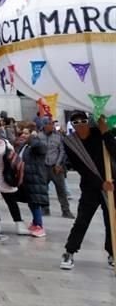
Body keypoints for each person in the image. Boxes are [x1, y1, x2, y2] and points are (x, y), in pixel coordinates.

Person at [59, 111, 115, 270]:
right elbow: (81, 168)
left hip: (110, 184)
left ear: (88, 122)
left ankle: (112, 252)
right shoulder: (71, 142)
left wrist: (106, 133)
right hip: (91, 187)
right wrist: (100, 183)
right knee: (82, 220)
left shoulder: (100, 133)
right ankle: (69, 252)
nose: (81, 125)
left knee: (111, 220)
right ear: (73, 126)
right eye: (76, 123)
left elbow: (114, 152)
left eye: (83, 121)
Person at [16, 125, 47, 237]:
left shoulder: (36, 144)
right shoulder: (25, 146)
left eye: (26, 133)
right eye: (22, 133)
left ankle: (39, 225)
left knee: (35, 203)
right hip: (26, 178)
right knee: (31, 202)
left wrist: (33, 138)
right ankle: (35, 222)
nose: (23, 135)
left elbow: (42, 148)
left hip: (35, 178)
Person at [39, 116, 74, 218]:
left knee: (61, 190)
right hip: (44, 167)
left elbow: (62, 151)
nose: (52, 126)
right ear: (44, 125)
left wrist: (58, 164)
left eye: (52, 124)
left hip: (56, 167)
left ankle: (66, 210)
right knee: (43, 190)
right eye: (50, 124)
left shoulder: (58, 136)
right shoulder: (38, 136)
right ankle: (45, 209)